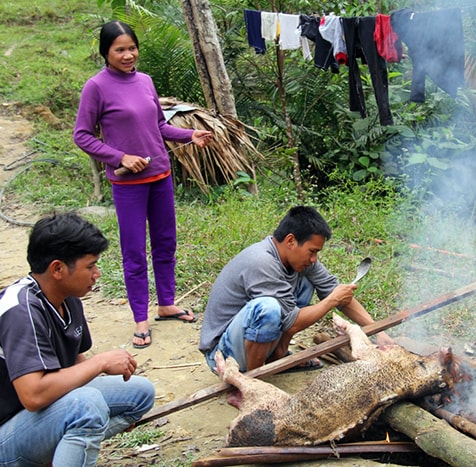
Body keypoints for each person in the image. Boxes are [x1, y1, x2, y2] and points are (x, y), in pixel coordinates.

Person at [74, 20, 212, 349]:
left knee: (166, 244)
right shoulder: (96, 87)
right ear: (105, 52)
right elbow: (82, 135)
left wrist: (190, 135)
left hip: (160, 176)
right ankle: (140, 318)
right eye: (119, 49)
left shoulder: (146, 81)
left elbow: (160, 127)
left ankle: (166, 303)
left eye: (132, 48)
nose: (127, 55)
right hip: (128, 186)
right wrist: (119, 157)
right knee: (134, 252)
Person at [0, 212, 156, 466]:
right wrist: (100, 364)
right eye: (90, 266)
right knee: (86, 406)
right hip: (7, 431)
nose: (97, 274)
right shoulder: (20, 310)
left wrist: (95, 370)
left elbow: (74, 364)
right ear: (58, 269)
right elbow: (33, 395)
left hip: (36, 417)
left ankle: (62, 449)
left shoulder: (68, 299)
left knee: (140, 393)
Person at [199, 206, 391, 373]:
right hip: (223, 355)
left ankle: (276, 357)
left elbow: (334, 290)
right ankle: (254, 377)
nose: (314, 258)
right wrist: (332, 300)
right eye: (312, 251)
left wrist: (379, 332)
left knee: (307, 281)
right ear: (290, 241)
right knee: (268, 308)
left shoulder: (303, 261)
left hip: (251, 343)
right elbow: (292, 321)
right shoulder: (262, 261)